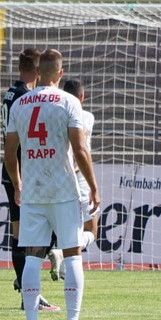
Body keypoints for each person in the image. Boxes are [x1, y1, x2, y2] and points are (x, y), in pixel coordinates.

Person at [5, 49, 100, 320]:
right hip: (63, 189)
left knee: (32, 256)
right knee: (73, 255)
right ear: (60, 73)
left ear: (38, 71)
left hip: (33, 190)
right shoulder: (70, 102)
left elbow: (9, 152)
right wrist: (94, 186)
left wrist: (18, 183)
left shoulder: (20, 103)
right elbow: (80, 149)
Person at [0, 47, 60, 312]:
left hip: (11, 169)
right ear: (37, 70)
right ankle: (29, 294)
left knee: (20, 233)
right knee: (32, 234)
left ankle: (26, 289)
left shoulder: (10, 93)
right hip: (25, 172)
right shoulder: (26, 98)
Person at [59, 78, 99, 280]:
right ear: (82, 97)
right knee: (91, 229)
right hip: (81, 179)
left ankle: (64, 266)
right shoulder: (87, 116)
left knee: (67, 226)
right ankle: (61, 255)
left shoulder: (57, 113)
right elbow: (80, 140)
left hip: (59, 177)